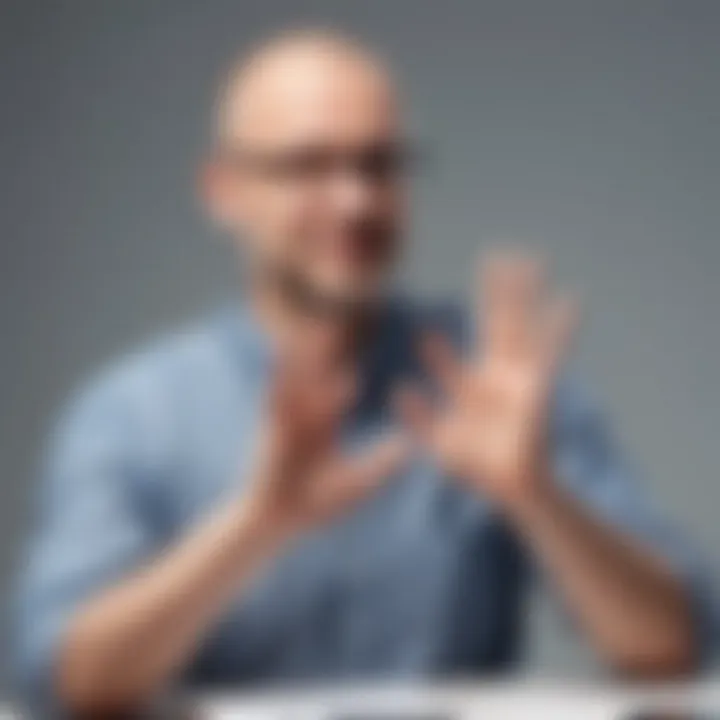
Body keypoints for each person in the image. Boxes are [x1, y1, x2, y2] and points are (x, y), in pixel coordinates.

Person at [13, 28, 717, 718]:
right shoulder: (137, 414)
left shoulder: (490, 385)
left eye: (379, 164)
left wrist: (540, 496)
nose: (355, 201)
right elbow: (63, 678)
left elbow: (675, 649)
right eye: (308, 166)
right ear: (223, 190)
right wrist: (255, 525)